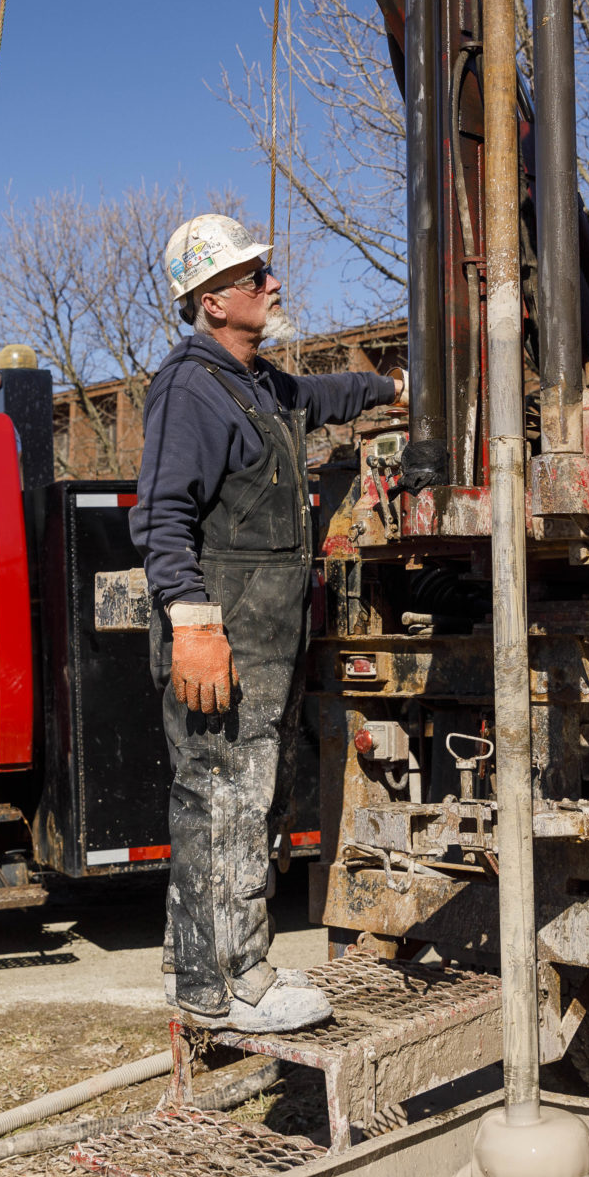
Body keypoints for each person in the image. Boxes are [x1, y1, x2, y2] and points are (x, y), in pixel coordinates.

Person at [130, 214, 403, 1033]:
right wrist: (190, 620)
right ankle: (238, 983)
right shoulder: (190, 388)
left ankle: (199, 978)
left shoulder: (256, 383)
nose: (273, 284)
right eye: (255, 278)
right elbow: (161, 515)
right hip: (224, 642)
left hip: (262, 646)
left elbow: (320, 396)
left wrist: (391, 387)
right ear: (214, 302)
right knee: (226, 809)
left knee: (231, 806)